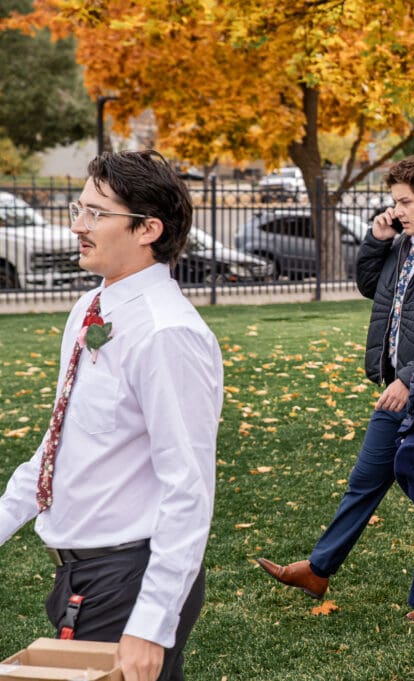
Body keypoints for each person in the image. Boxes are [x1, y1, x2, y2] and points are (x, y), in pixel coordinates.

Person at [0, 150, 223, 681]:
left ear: (148, 229)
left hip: (130, 579)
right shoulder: (91, 307)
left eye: (97, 213)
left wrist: (150, 623)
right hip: (80, 580)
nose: (78, 225)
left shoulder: (168, 333)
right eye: (80, 209)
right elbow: (58, 447)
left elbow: (188, 488)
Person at [257, 154, 414, 602]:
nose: (397, 210)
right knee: (371, 479)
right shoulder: (403, 244)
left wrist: (407, 380)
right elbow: (370, 287)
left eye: (405, 202)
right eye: (394, 201)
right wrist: (375, 240)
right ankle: (321, 569)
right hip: (398, 389)